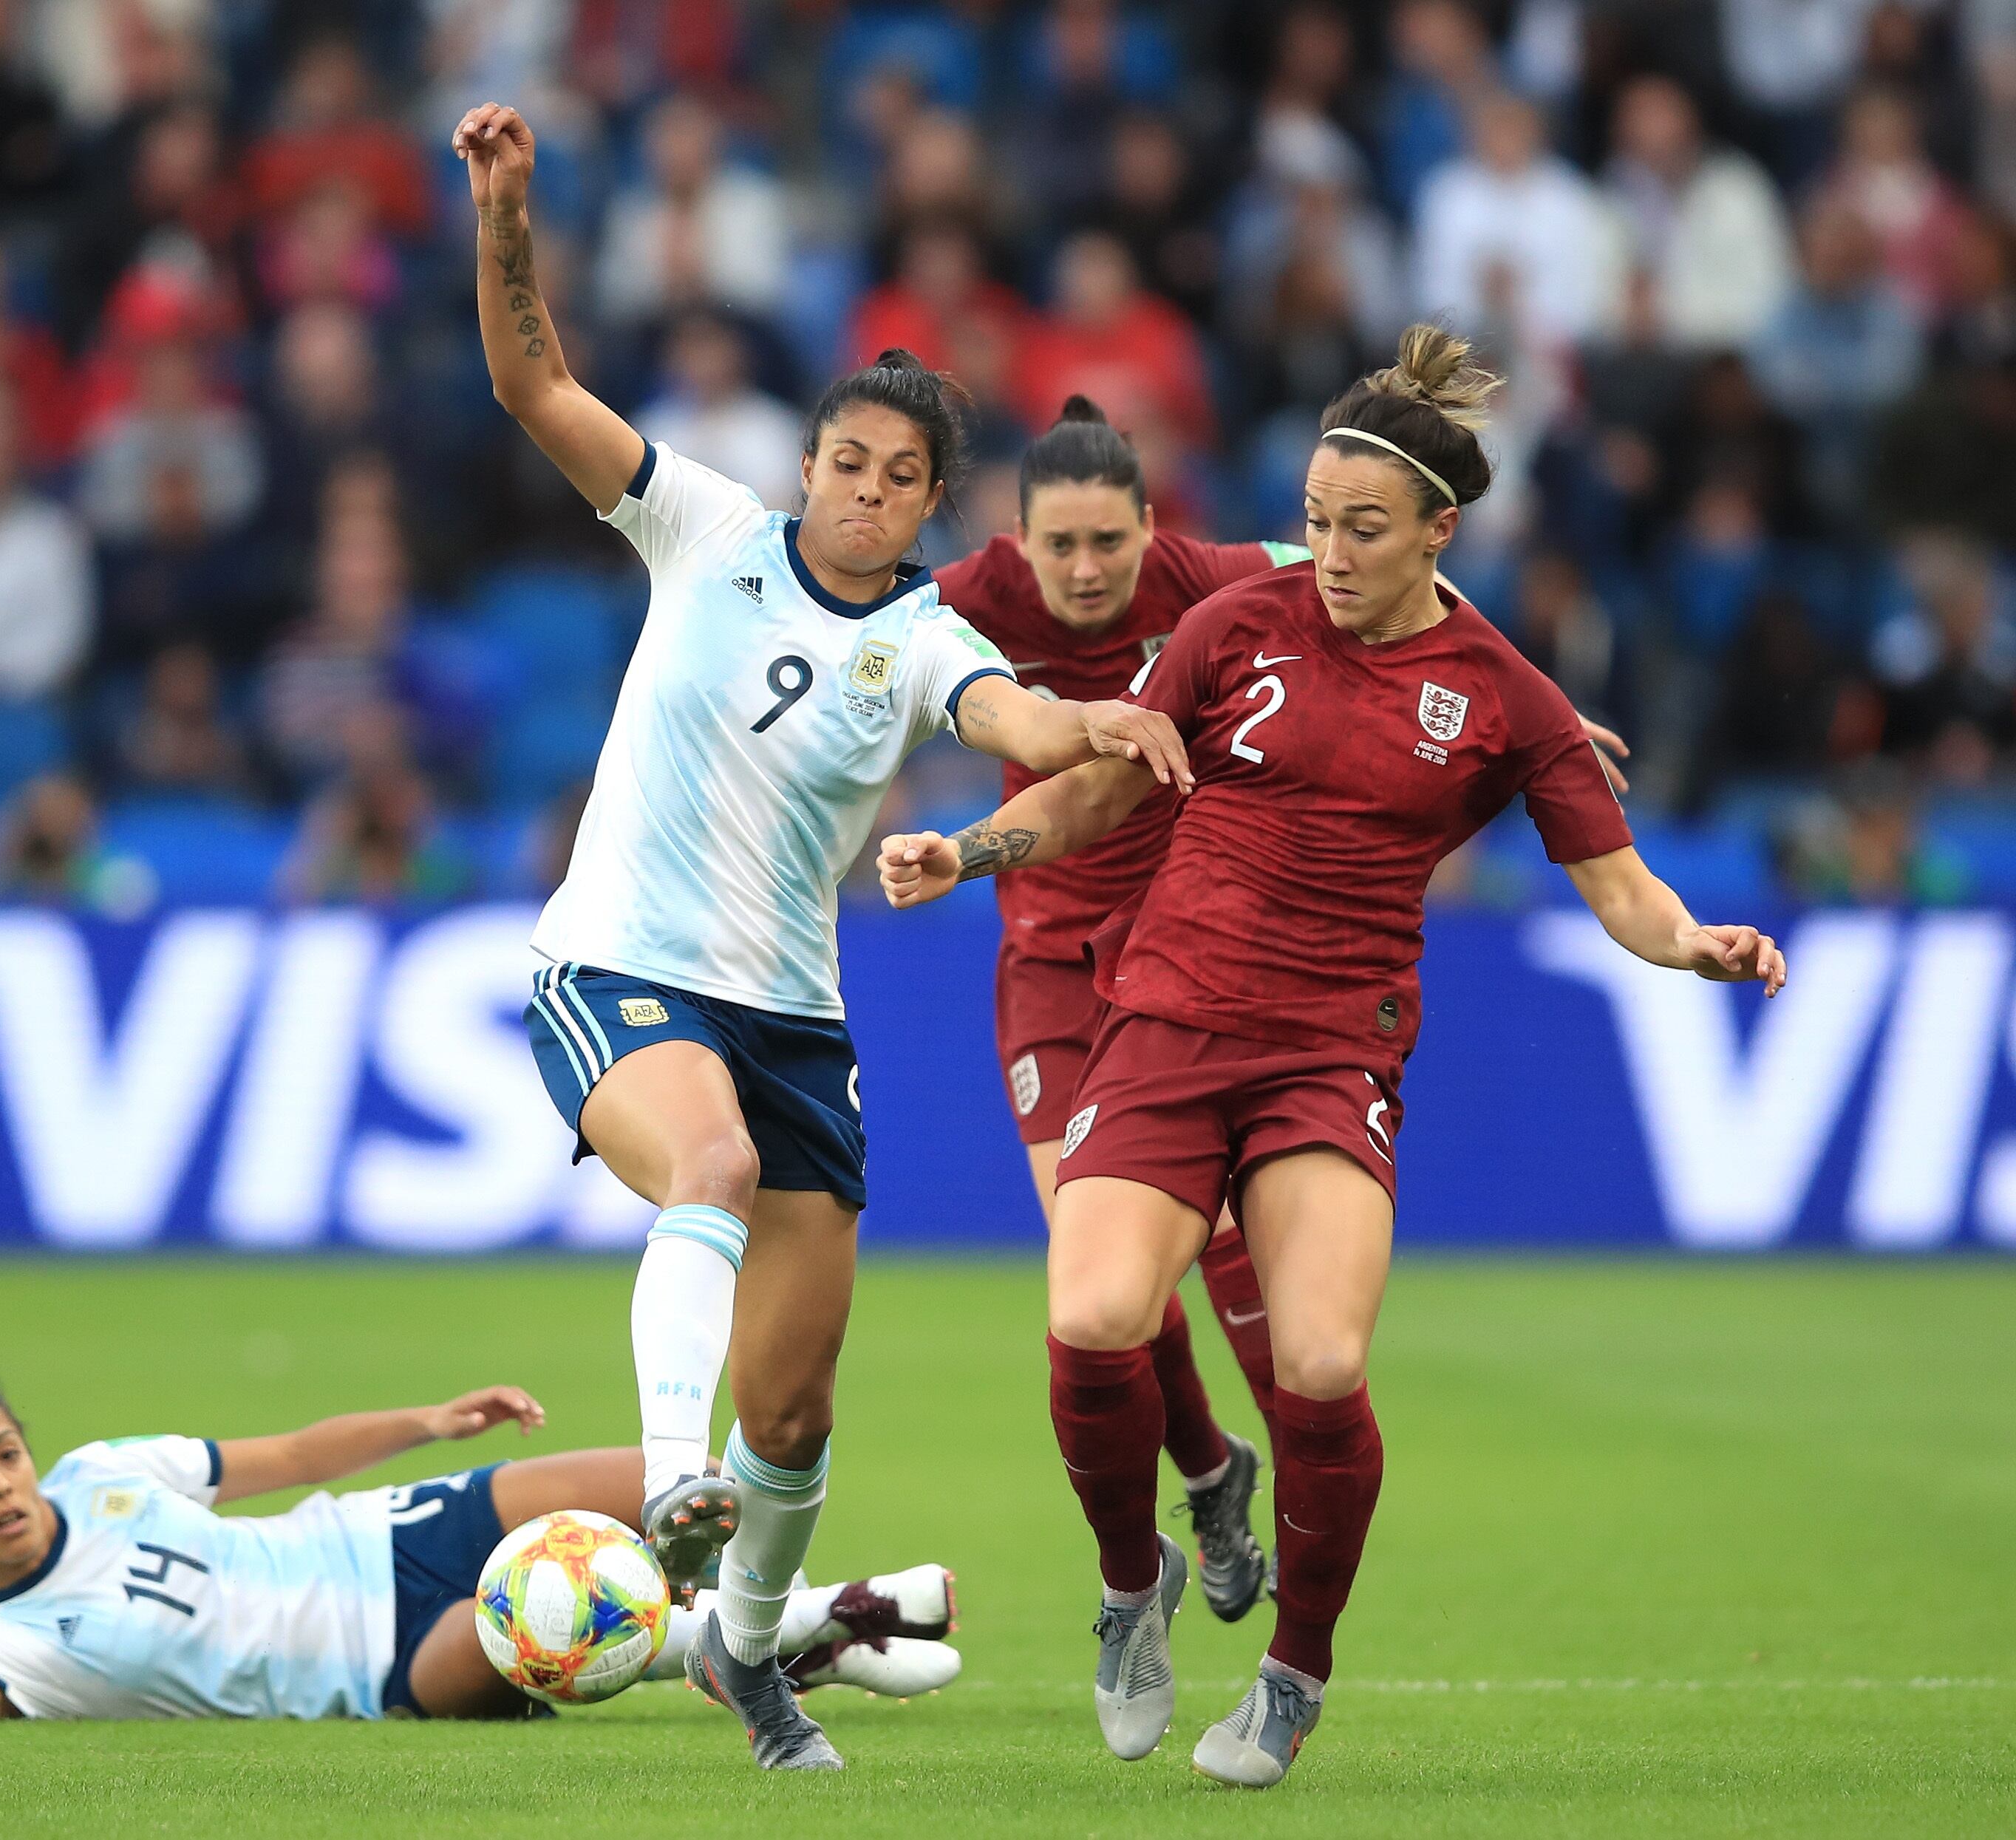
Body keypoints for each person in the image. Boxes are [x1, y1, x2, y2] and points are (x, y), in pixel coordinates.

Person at [878, 327, 1783, 1788]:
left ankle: (1293, 1670)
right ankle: (1130, 1593)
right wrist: (969, 848)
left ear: (1440, 531)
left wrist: (1694, 947)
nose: (1327, 550)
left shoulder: (1500, 696)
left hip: (1325, 1056)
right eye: (1310, 520)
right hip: (1164, 1025)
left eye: (1361, 529)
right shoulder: (1235, 625)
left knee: (1316, 1356)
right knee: (1097, 1312)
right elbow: (1101, 787)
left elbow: (1620, 894)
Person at [452, 100, 1192, 1772]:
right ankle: (661, 1491)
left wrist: (1113, 725)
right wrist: (506, 208)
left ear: (931, 504)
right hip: (619, 971)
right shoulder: (698, 527)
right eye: (843, 463)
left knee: (793, 1411)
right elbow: (530, 385)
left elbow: (1011, 717)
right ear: (807, 466)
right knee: (699, 1172)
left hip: (793, 1018)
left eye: (897, 478)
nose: (862, 492)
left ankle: (741, 1652)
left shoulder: (925, 635)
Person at [932, 398, 1310, 1622]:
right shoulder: (969, 597)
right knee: (1098, 1278)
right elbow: (837, 642)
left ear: (1153, 528)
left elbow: (1387, 581)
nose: (1089, 570)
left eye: (1112, 542)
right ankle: (1208, 1468)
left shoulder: (1204, 577)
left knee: (1217, 1235)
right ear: (1019, 543)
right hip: (1047, 964)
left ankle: (1292, 1477)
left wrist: (1536, 715)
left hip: (1184, 959)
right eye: (1063, 548)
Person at [0, 1378, 963, 1725]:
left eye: (1, 1449)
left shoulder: (102, 1473)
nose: (0, 1482)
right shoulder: (15, 1645)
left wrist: (428, 1423)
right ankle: (813, 1631)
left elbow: (282, 1457)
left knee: (683, 1486)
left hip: (392, 1532)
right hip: (386, 1660)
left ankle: (811, 1634)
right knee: (553, 1624)